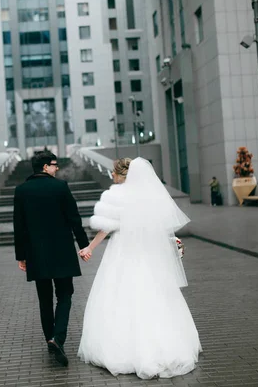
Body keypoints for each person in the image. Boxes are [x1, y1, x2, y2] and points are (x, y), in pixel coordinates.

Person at [77, 157, 201, 379]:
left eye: (113, 173)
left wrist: (90, 248)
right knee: (155, 295)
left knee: (121, 295)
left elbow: (105, 228)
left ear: (119, 174)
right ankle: (167, 346)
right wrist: (172, 243)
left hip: (123, 251)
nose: (111, 177)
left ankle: (124, 350)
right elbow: (161, 226)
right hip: (149, 254)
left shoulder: (117, 196)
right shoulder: (149, 196)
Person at [13, 151, 91, 367]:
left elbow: (19, 227)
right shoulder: (60, 187)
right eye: (55, 165)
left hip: (36, 254)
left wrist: (21, 255)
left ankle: (50, 338)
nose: (57, 168)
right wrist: (84, 244)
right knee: (65, 295)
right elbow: (74, 218)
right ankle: (58, 338)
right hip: (62, 251)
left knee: (45, 298)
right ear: (46, 167)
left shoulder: (21, 191)